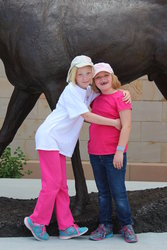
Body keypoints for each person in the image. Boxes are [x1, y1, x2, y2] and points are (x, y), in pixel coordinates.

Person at [24, 55, 130, 241]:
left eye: (89, 73)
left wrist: (126, 92)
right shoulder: (71, 91)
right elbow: (87, 116)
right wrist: (113, 122)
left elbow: (108, 91)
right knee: (52, 184)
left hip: (60, 142)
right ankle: (37, 221)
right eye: (80, 74)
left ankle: (66, 227)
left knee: (62, 185)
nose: (85, 77)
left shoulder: (87, 91)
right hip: (50, 137)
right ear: (73, 75)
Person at [88, 62, 138, 243]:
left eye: (105, 76)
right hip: (95, 153)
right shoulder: (94, 99)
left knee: (118, 192)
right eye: (98, 77)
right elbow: (88, 118)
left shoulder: (121, 97)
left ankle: (127, 225)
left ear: (112, 77)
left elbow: (127, 126)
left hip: (113, 154)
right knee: (102, 193)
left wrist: (119, 151)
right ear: (94, 81)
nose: (102, 80)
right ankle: (105, 226)